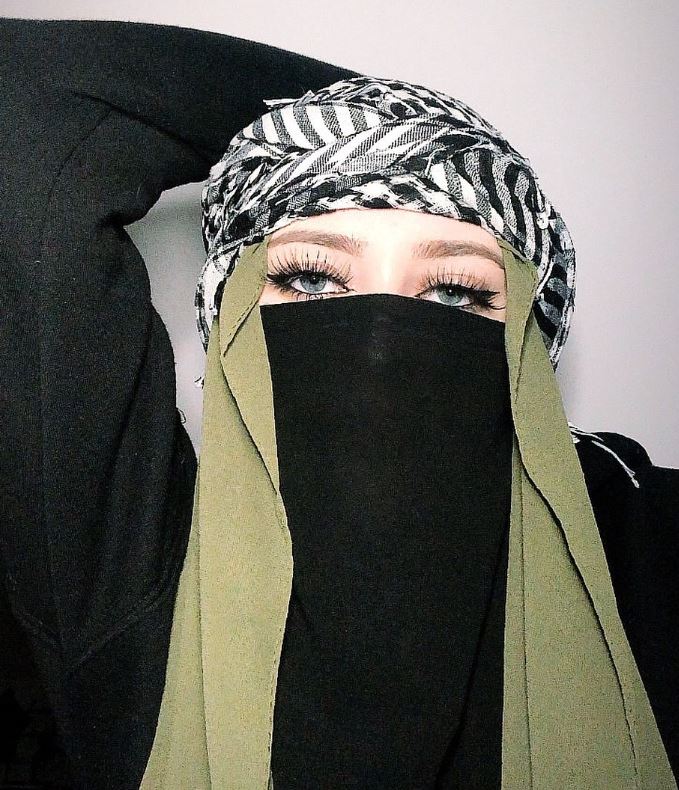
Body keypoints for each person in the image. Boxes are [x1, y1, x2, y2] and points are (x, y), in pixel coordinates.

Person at [0, 17, 677, 790]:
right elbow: (24, 103)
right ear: (232, 328)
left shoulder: (641, 541)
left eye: (453, 292)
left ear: (526, 342)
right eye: (312, 280)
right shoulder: (136, 572)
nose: (380, 349)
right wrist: (378, 118)